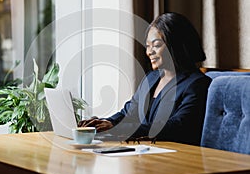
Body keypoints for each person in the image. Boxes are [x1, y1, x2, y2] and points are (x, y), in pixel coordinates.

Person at [79, 12, 212, 146]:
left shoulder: (198, 84)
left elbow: (177, 127)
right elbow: (129, 112)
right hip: (145, 152)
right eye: (148, 46)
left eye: (156, 45)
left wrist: (118, 129)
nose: (149, 52)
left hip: (176, 155)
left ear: (177, 45)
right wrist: (106, 123)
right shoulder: (151, 78)